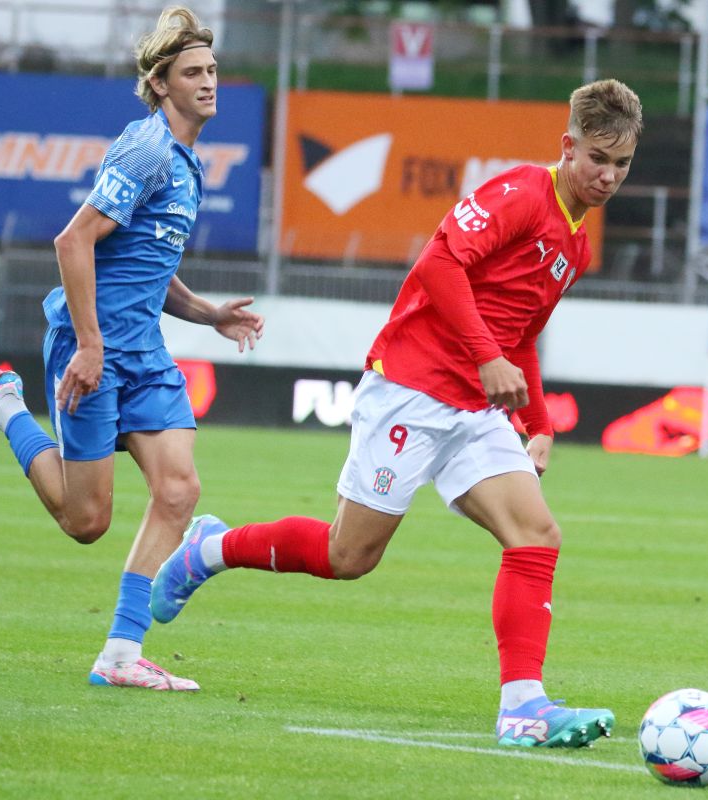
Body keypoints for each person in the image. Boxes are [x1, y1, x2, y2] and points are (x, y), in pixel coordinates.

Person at [150, 79, 643, 746]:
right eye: (597, 159)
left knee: (536, 535)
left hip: (474, 409)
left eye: (621, 164)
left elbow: (522, 332)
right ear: (568, 146)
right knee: (348, 555)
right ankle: (210, 549)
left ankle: (523, 707)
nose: (608, 176)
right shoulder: (523, 193)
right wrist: (485, 356)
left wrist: (540, 422)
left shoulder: (577, 242)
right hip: (412, 387)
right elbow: (439, 264)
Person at [0, 6, 263, 690]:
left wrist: (208, 314)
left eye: (212, 70)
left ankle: (120, 654)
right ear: (161, 84)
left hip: (143, 350)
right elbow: (73, 240)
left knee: (179, 490)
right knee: (85, 520)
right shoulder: (148, 149)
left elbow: (146, 264)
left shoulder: (188, 162)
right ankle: (3, 408)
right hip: (93, 347)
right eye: (193, 73)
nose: (209, 82)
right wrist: (89, 345)